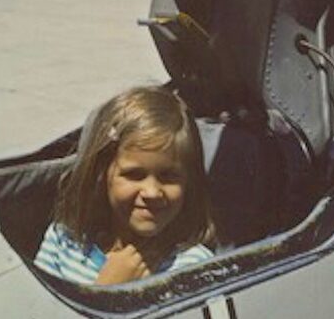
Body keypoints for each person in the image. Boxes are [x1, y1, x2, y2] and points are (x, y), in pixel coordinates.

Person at [34, 86, 215, 285]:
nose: (152, 192)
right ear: (101, 174)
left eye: (169, 177)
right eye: (134, 175)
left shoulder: (194, 267)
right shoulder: (64, 241)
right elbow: (37, 315)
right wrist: (107, 290)